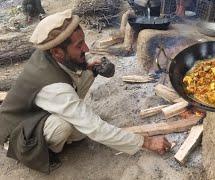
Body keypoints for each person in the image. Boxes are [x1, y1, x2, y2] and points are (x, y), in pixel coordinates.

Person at [0, 9, 171, 174]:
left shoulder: (48, 53)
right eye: (79, 45)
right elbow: (96, 128)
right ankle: (41, 152)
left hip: (37, 114)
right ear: (58, 52)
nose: (87, 48)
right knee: (65, 127)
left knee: (83, 116)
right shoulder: (54, 89)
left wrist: (89, 68)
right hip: (19, 135)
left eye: (84, 41)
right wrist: (147, 142)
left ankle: (66, 126)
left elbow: (68, 69)